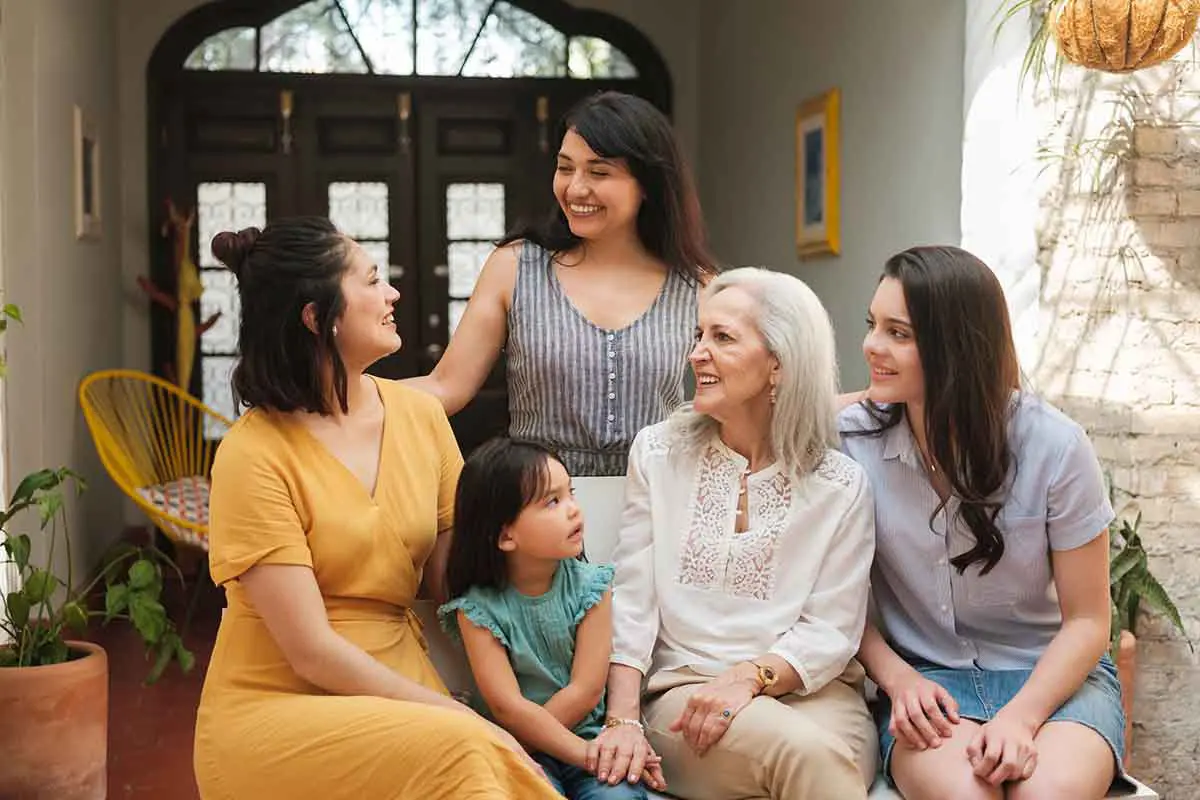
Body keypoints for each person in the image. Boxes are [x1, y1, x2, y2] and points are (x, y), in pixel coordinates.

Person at [192, 217, 560, 800]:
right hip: (279, 709)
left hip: (399, 688)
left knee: (479, 754)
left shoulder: (421, 418)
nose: (392, 294)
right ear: (317, 318)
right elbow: (311, 651)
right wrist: (462, 717)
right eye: (371, 281)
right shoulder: (252, 454)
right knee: (465, 748)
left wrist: (551, 601)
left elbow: (452, 581)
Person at [839, 245, 1124, 800]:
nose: (872, 345)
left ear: (956, 346)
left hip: (1053, 684)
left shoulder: (1056, 447)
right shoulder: (850, 440)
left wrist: (1021, 719)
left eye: (900, 333)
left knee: (1045, 796)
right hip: (927, 684)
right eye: (873, 325)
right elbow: (834, 601)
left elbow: (1089, 621)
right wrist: (897, 681)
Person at [594, 267, 880, 799]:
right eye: (699, 336)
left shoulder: (841, 484)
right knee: (806, 757)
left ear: (779, 362)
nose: (697, 353)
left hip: (814, 696)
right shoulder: (658, 454)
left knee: (822, 754)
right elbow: (632, 599)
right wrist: (622, 718)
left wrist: (751, 677)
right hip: (687, 694)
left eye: (722, 337)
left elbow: (832, 629)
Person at [406, 90, 718, 476]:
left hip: (654, 507)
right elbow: (445, 386)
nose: (574, 189)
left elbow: (737, 401)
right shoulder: (515, 266)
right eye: (565, 167)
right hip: (537, 507)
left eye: (599, 172)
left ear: (648, 184)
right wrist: (340, 398)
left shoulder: (698, 286)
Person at [438, 438, 654, 799]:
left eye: (570, 493)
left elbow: (585, 691)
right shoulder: (475, 610)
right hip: (522, 749)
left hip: (578, 738)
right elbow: (508, 706)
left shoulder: (592, 587)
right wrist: (583, 757)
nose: (573, 510)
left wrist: (583, 753)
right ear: (506, 535)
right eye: (552, 502)